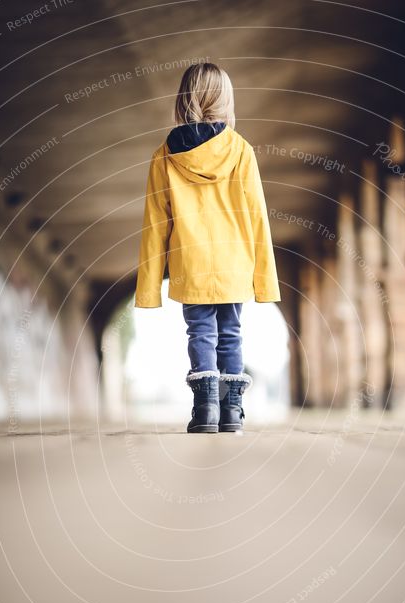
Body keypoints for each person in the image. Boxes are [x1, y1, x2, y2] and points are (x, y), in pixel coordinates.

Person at [135, 62, 280, 432]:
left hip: (191, 264)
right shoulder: (242, 151)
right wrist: (265, 282)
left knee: (200, 332)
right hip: (234, 263)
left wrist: (150, 289)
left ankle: (205, 412)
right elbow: (257, 217)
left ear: (183, 100)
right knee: (231, 332)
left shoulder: (164, 156)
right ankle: (231, 412)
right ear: (225, 101)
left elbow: (155, 226)